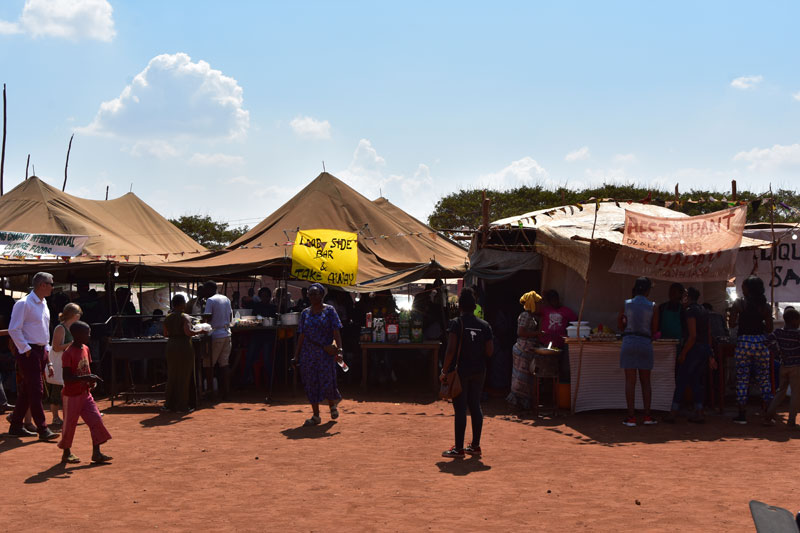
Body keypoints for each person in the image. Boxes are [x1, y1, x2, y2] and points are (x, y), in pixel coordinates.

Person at [440, 288, 493, 458]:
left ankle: (459, 448)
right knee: (476, 406)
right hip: (479, 370)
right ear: (474, 306)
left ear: (460, 306)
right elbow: (490, 351)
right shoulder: (485, 326)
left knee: (460, 408)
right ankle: (475, 446)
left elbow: (450, 351)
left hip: (461, 371)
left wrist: (444, 371)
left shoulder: (456, 323)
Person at [6, 272, 59, 440]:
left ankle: (15, 425)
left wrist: (47, 357)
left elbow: (44, 332)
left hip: (40, 350)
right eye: (51, 283)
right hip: (30, 352)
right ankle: (42, 429)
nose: (52, 286)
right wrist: (26, 349)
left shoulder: (44, 304)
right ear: (42, 285)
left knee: (28, 391)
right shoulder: (24, 303)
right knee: (36, 391)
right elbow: (14, 328)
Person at [57, 321, 111, 464]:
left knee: (96, 420)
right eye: (86, 333)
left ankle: (97, 453)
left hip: (85, 393)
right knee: (69, 424)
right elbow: (67, 378)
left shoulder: (86, 348)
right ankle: (66, 452)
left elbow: (87, 368)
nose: (89, 335)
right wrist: (86, 378)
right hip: (71, 395)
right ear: (76, 335)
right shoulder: (68, 353)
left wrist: (90, 381)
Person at [292, 283, 344, 426]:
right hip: (308, 354)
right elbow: (301, 335)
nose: (314, 297)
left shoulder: (330, 311)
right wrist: (296, 355)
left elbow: (336, 332)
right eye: (311, 294)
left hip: (325, 353)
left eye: (316, 294)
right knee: (311, 383)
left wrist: (339, 350)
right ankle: (316, 415)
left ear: (322, 295)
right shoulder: (305, 313)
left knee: (327, 379)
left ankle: (332, 405)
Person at [665, 288, 716, 423]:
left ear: (688, 297)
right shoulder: (704, 311)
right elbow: (708, 334)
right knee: (695, 382)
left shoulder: (690, 311)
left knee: (682, 380)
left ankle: (673, 412)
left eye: (684, 295)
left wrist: (683, 353)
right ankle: (699, 412)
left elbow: (692, 336)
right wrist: (710, 354)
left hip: (693, 350)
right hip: (703, 349)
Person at [728, 275, 774, 424]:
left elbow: (732, 324)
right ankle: (767, 413)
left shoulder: (739, 303)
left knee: (742, 379)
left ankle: (742, 414)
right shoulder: (765, 306)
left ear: (748, 289)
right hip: (761, 342)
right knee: (764, 379)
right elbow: (769, 328)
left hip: (743, 343)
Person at [618, 277, 660, 427]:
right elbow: (654, 329)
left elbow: (621, 325)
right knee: (645, 381)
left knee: (630, 382)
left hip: (628, 342)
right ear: (648, 290)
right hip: (644, 343)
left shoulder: (626, 304)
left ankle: (631, 417)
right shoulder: (653, 306)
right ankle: (647, 416)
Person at [163, 294, 203, 412]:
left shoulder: (168, 317)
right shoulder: (185, 317)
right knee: (185, 376)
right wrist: (201, 330)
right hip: (184, 346)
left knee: (172, 375)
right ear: (182, 304)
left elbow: (165, 334)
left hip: (171, 346)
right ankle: (182, 405)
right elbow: (188, 332)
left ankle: (169, 404)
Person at [46, 303, 83, 427]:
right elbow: (56, 348)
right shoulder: (60, 328)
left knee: (73, 389)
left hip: (69, 364)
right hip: (59, 364)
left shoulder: (73, 327)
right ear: (73, 315)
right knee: (56, 390)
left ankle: (74, 415)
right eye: (78, 314)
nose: (79, 316)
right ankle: (55, 418)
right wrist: (72, 343)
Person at [506, 290, 542, 410]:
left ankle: (523, 403)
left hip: (528, 350)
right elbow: (520, 332)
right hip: (522, 349)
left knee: (525, 378)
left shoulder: (533, 317)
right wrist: (538, 333)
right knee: (520, 378)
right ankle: (516, 402)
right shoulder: (525, 316)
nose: (540, 305)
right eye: (537, 303)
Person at [764, 308, 800, 428]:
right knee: (796, 394)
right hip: (796, 367)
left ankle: (769, 415)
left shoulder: (778, 332)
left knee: (780, 392)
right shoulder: (797, 334)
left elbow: (767, 341)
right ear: (794, 321)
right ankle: (791, 421)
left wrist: (778, 353)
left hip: (783, 365)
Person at [202, 281, 233, 400]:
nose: (203, 292)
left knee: (208, 364)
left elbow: (207, 317)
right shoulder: (226, 299)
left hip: (216, 335)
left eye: (205, 289)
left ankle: (210, 391)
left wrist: (201, 323)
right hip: (227, 333)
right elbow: (230, 316)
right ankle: (226, 392)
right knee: (224, 364)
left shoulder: (210, 300)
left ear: (210, 289)